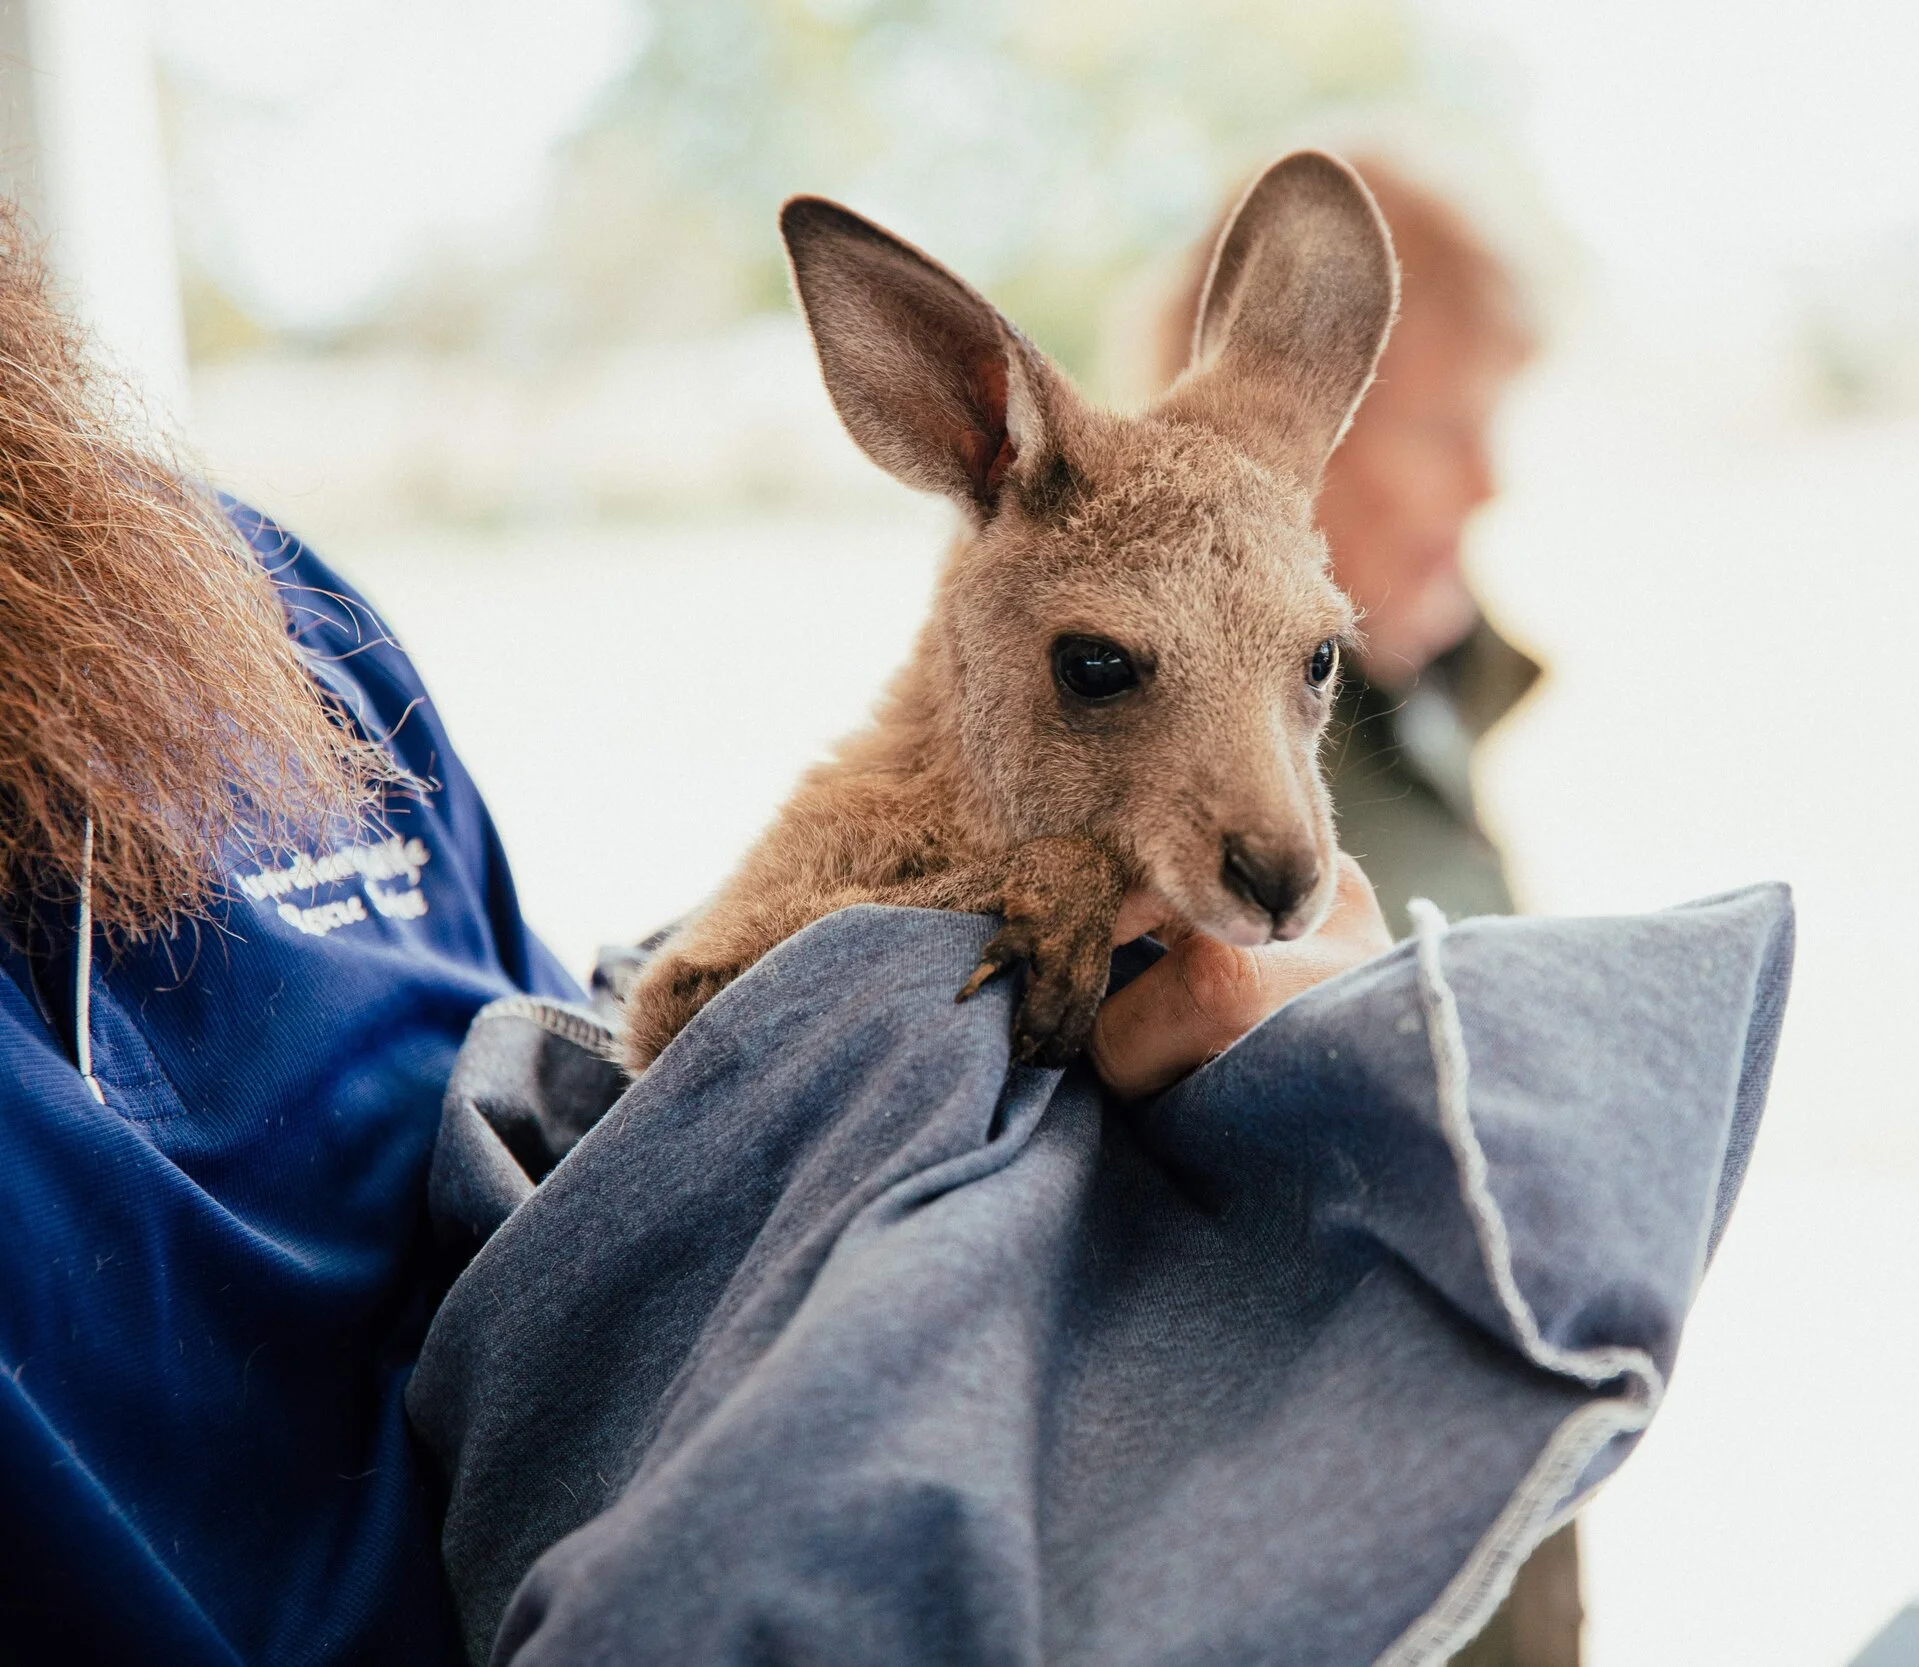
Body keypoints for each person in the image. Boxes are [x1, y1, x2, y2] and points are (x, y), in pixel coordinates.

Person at [0, 205, 1388, 1659]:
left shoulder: (230, 611)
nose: (1287, 826)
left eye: (1315, 667)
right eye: (1105, 668)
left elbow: (594, 1069)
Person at [1158, 154, 1569, 1667]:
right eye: (1449, 428)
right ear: (1290, 423)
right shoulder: (1193, 805)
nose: (1489, 483)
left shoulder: (1405, 707)